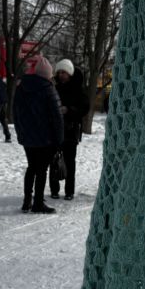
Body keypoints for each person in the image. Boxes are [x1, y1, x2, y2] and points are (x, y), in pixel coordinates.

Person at [13, 55, 64, 213]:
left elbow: (15, 113)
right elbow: (57, 117)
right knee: (41, 170)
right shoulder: (48, 89)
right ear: (46, 74)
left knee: (31, 168)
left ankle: (27, 201)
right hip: (46, 138)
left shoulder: (21, 88)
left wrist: (21, 132)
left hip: (28, 137)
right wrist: (59, 139)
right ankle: (38, 204)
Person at [49, 59, 90, 201]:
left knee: (69, 161)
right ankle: (54, 190)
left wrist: (69, 110)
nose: (61, 75)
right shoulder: (53, 86)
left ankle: (69, 191)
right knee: (54, 160)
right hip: (54, 129)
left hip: (71, 130)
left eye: (64, 72)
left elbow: (85, 107)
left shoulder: (77, 88)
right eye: (59, 72)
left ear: (70, 73)